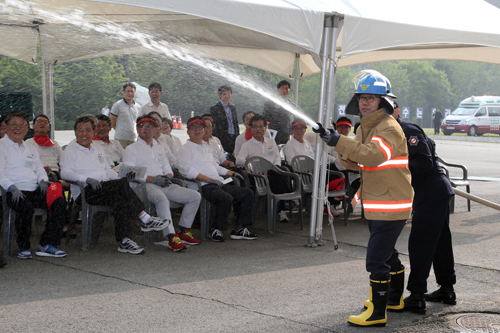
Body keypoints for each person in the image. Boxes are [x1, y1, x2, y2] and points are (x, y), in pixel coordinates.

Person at [317, 70, 414, 327]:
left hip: (391, 204)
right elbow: (353, 161)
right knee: (387, 254)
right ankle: (393, 300)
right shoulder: (365, 127)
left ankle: (377, 313)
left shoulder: (389, 128)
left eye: (371, 98)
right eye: (361, 97)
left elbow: (372, 156)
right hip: (378, 203)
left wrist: (341, 141)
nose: (364, 102)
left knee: (375, 259)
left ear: (384, 102)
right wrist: (336, 142)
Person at [60, 116, 170, 255]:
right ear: (75, 132)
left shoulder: (98, 148)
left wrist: (122, 176)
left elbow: (108, 171)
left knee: (122, 195)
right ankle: (144, 218)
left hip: (105, 188)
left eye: (88, 130)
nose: (84, 134)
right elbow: (65, 173)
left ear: (93, 132)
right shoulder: (71, 150)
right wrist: (86, 179)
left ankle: (125, 240)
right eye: (80, 130)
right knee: (122, 189)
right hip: (87, 191)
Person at [393, 103, 456, 314]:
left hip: (431, 191)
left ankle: (417, 295)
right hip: (433, 191)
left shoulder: (407, 130)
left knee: (420, 243)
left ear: (395, 111)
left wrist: (394, 163)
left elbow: (424, 162)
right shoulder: (393, 131)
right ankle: (446, 289)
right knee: (439, 242)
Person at [123, 116, 202, 252]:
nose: (146, 129)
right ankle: (171, 236)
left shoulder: (159, 148)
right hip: (143, 186)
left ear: (156, 130)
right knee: (161, 198)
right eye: (142, 126)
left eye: (150, 126)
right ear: (137, 129)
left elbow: (168, 169)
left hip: (163, 184)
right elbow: (129, 172)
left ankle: (183, 231)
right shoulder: (131, 149)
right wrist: (153, 179)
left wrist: (167, 177)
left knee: (194, 196)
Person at [177, 117, 256, 242]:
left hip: (218, 182)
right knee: (226, 198)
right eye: (193, 128)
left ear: (205, 131)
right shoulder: (185, 149)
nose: (197, 130)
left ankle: (239, 228)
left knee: (247, 193)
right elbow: (187, 171)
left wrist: (232, 173)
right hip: (202, 185)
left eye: (200, 128)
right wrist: (210, 180)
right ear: (188, 131)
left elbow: (215, 166)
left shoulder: (206, 147)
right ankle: (215, 229)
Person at [0, 111, 67, 258]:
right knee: (26, 207)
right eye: (14, 124)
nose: (18, 128)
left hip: (34, 189)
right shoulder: (1, 146)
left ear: (27, 127)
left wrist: (43, 180)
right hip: (12, 190)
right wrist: (11, 186)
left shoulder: (29, 147)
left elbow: (38, 168)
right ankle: (23, 246)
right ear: (6, 126)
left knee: (59, 202)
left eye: (22, 124)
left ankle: (47, 244)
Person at [236, 114, 292, 223]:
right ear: (251, 128)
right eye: (255, 127)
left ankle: (281, 208)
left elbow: (277, 157)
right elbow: (238, 160)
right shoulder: (247, 145)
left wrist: (275, 166)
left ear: (265, 128)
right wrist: (253, 164)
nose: (258, 129)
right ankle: (287, 200)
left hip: (272, 173)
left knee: (279, 172)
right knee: (278, 177)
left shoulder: (271, 142)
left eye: (261, 126)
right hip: (257, 176)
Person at [25, 114, 65, 183]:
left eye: (45, 122)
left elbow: (64, 159)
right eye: (39, 121)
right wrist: (42, 167)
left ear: (48, 127)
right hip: (36, 173)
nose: (42, 123)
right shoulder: (29, 142)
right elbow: (28, 160)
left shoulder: (54, 143)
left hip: (54, 173)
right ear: (33, 126)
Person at [209, 85, 240, 155]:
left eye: (229, 93)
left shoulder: (233, 107)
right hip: (222, 139)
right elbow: (214, 125)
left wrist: (237, 137)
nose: (227, 96)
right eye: (224, 94)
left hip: (233, 138)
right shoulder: (215, 108)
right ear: (220, 95)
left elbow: (235, 123)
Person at [263, 80, 295, 145]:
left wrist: (293, 127)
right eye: (282, 88)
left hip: (286, 133)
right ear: (278, 90)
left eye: (287, 88)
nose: (285, 90)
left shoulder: (291, 104)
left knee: (284, 151)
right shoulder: (270, 102)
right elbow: (265, 117)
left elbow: (297, 116)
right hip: (273, 132)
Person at [110, 83, 140, 149]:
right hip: (121, 138)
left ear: (135, 93)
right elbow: (112, 120)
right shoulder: (118, 105)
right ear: (123, 92)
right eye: (128, 91)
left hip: (133, 138)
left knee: (132, 158)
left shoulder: (138, 107)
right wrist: (119, 129)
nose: (130, 93)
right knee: (121, 158)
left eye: (132, 91)